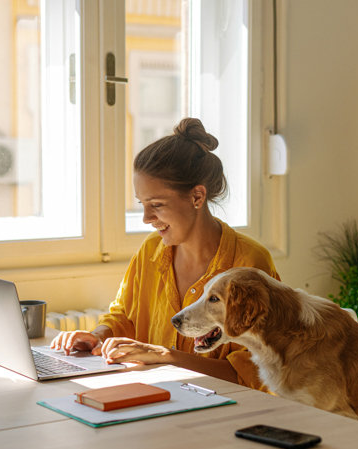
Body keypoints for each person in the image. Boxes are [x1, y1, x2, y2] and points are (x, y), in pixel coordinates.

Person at [50, 118, 279, 388]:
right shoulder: (150, 251)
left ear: (197, 197)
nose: (146, 217)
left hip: (223, 411)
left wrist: (168, 357)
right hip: (155, 398)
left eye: (156, 204)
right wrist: (98, 335)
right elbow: (124, 316)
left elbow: (255, 374)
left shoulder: (250, 263)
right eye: (142, 204)